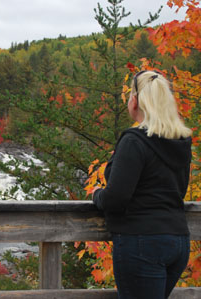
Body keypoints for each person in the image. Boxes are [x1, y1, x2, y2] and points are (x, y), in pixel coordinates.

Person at [92, 70, 193, 299]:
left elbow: (115, 200)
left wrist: (97, 194)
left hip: (142, 242)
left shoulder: (134, 141)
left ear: (135, 101)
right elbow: (177, 191)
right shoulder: (180, 141)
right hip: (178, 241)